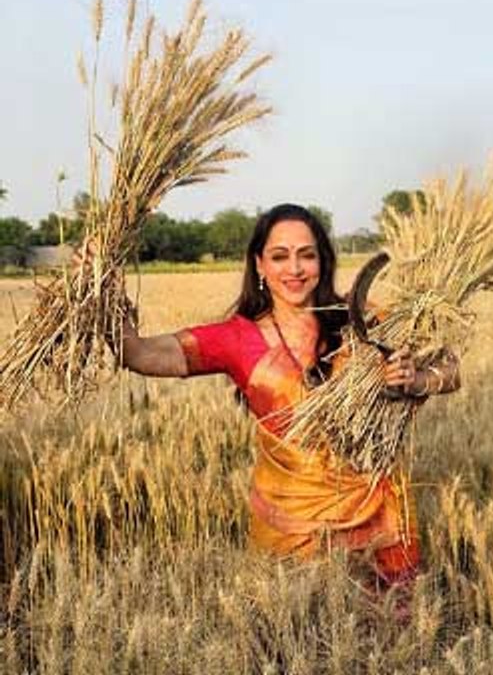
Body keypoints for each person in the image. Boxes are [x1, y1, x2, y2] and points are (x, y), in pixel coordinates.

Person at [113, 204, 460, 586]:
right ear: (259, 265)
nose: (294, 269)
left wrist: (415, 381)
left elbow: (451, 369)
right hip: (290, 531)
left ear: (322, 261)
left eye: (306, 255)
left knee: (395, 636)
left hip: (380, 524)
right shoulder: (236, 338)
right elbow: (139, 354)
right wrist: (103, 294)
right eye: (279, 256)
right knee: (294, 636)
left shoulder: (363, 318)